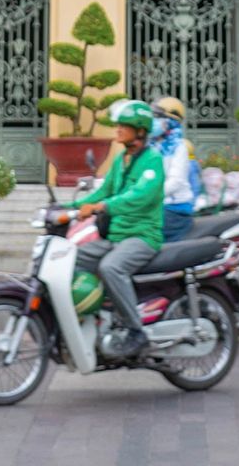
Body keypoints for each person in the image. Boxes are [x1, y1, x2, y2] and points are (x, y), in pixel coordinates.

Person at [70, 98, 165, 356]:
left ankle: (137, 332)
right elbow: (103, 191)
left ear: (141, 131)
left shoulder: (153, 161)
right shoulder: (120, 160)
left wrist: (102, 207)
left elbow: (139, 196)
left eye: (125, 126)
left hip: (143, 237)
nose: (118, 130)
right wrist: (69, 207)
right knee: (70, 258)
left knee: (111, 267)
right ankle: (92, 314)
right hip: (116, 237)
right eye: (119, 125)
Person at [151, 96, 195, 242]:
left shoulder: (179, 147)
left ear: (171, 122)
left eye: (158, 117)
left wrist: (147, 196)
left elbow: (175, 182)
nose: (153, 122)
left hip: (174, 209)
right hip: (154, 206)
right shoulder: (150, 146)